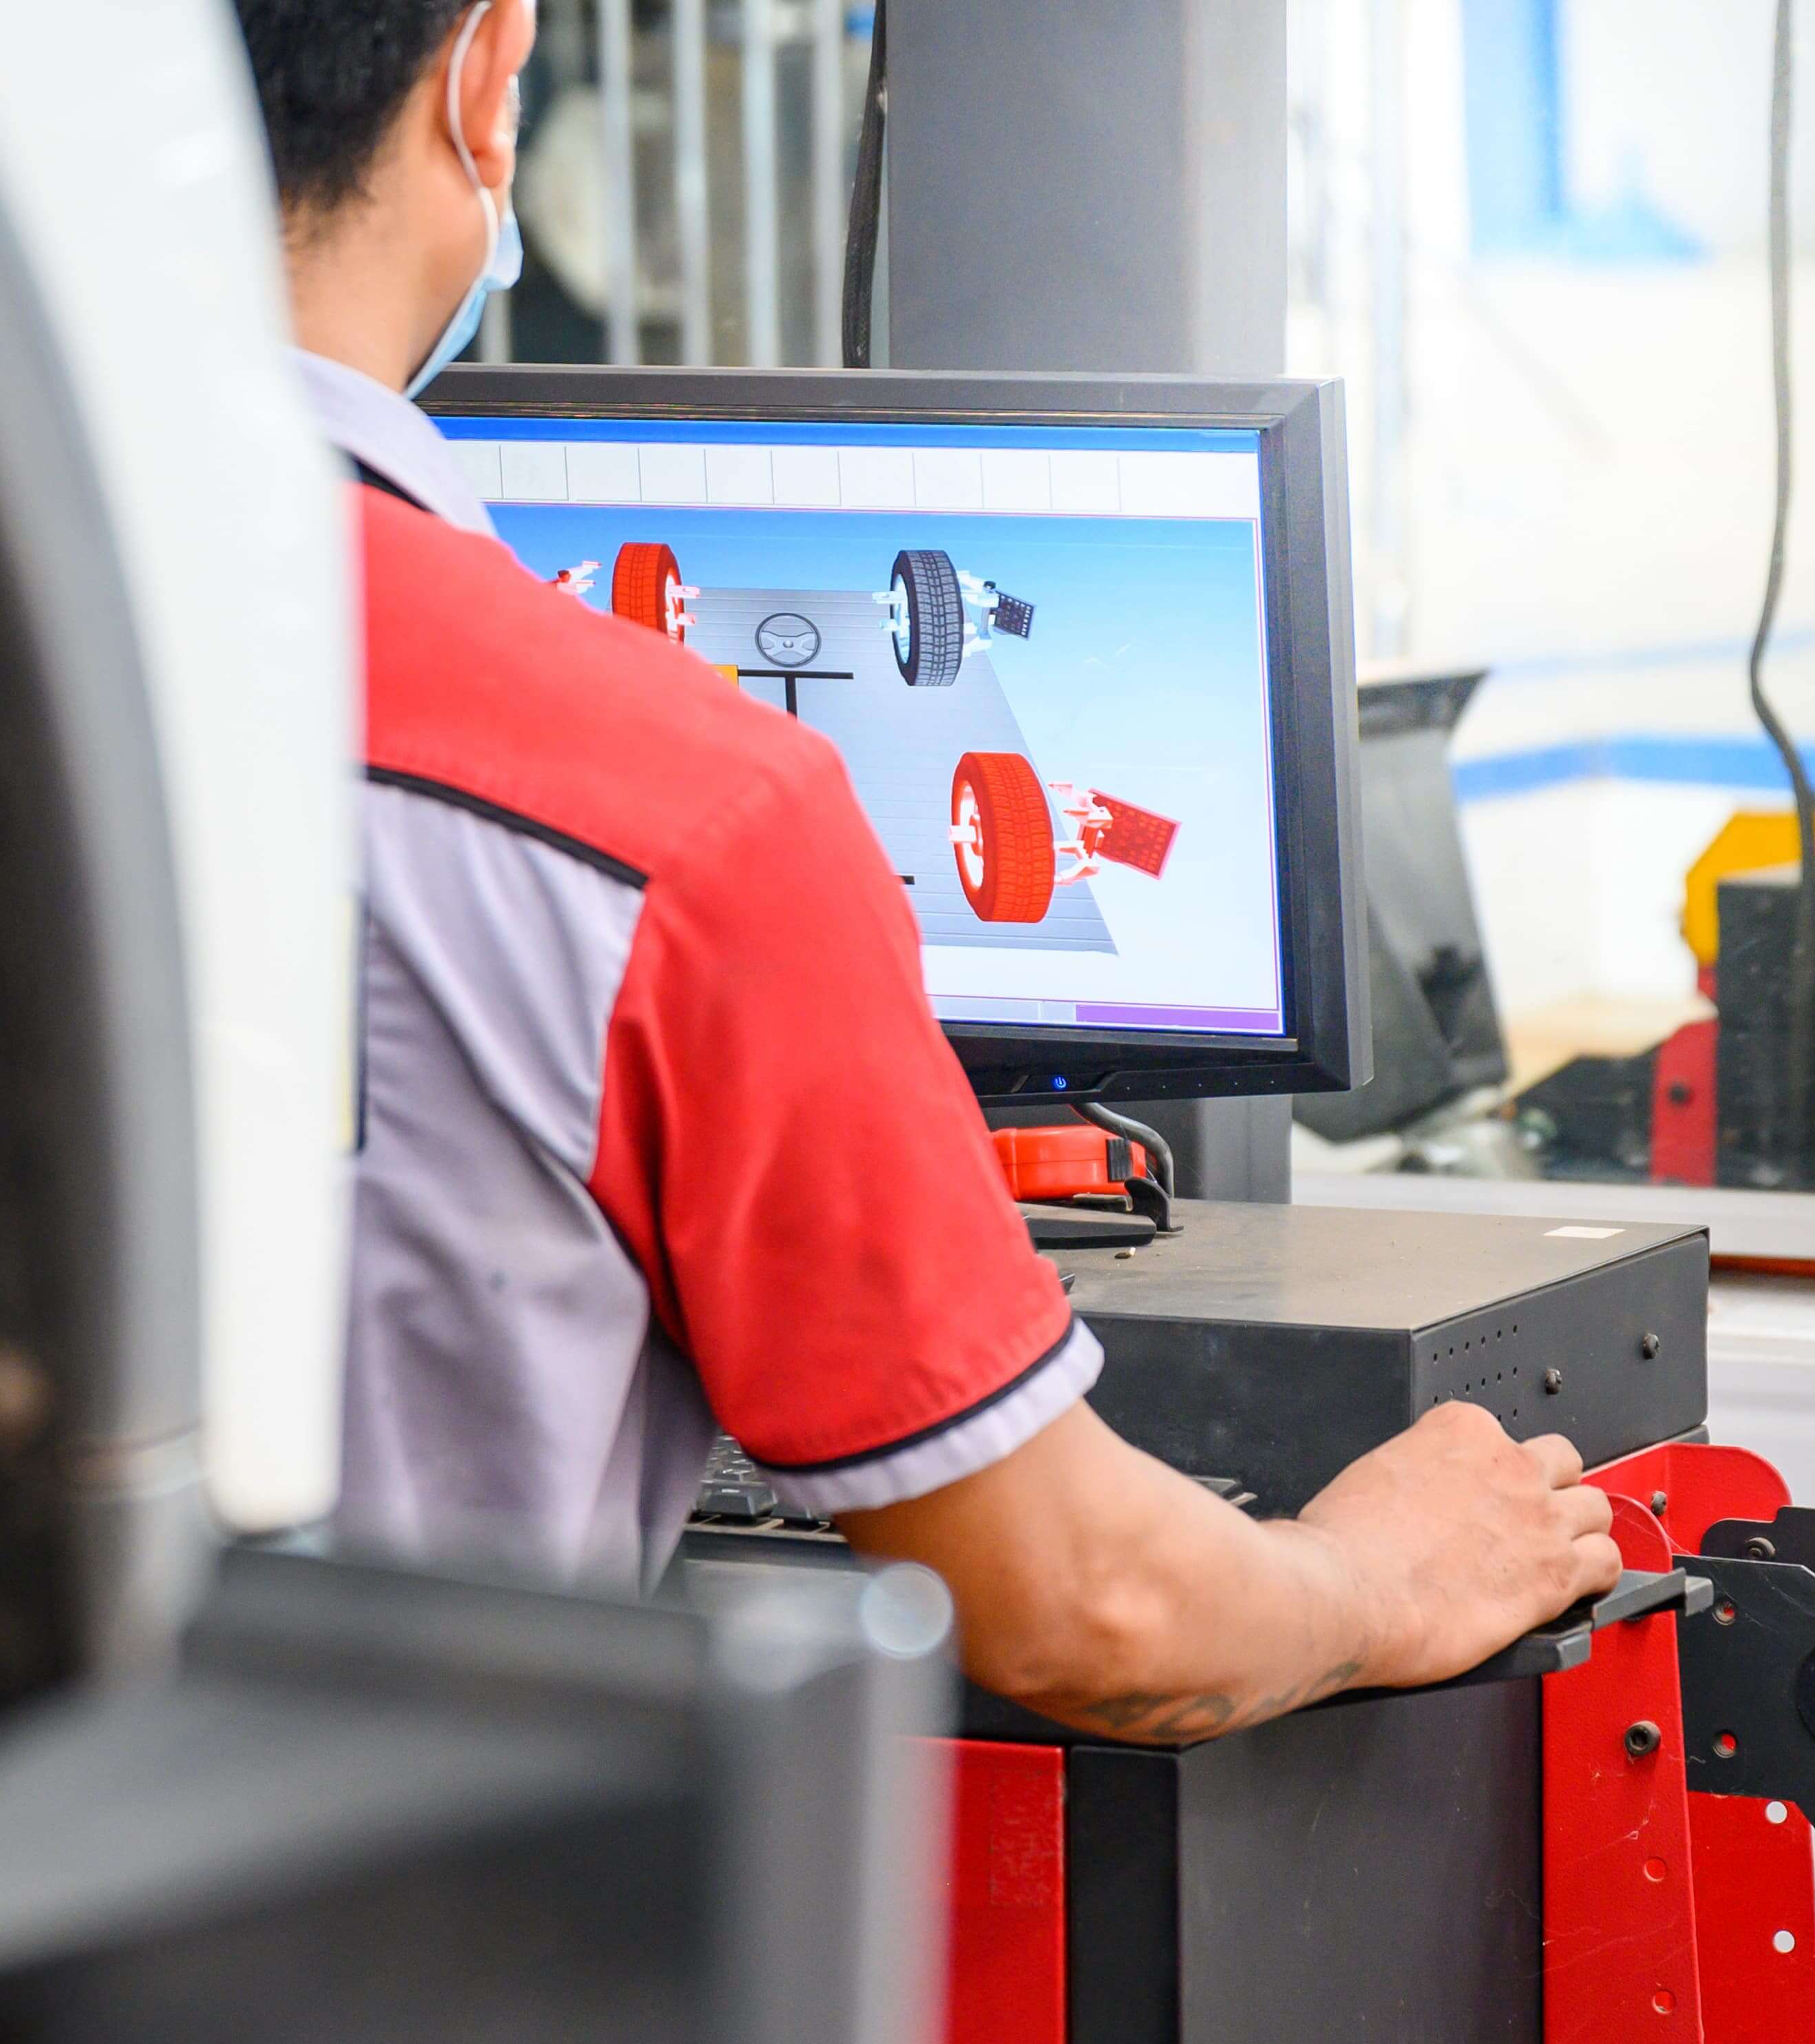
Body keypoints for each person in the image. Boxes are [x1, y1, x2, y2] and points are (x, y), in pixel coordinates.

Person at [237, 0, 1617, 1738]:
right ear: (486, 81)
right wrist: (1375, 1573)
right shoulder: (674, 810)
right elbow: (1088, 1608)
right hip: (365, 1953)